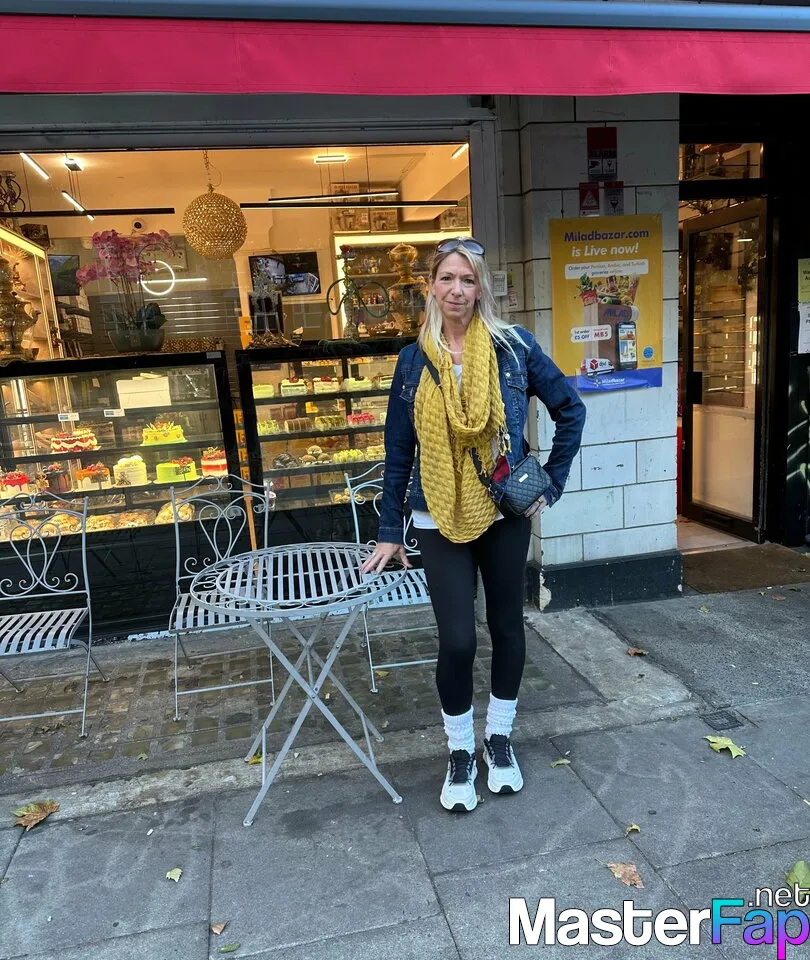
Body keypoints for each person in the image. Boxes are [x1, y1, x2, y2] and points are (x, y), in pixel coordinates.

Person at [361, 237, 585, 813]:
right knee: (458, 640)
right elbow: (399, 449)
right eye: (447, 279)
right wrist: (390, 529)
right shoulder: (413, 360)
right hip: (435, 515)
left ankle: (498, 739)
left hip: (504, 511)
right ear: (432, 287)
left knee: (507, 625)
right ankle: (460, 749)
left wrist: (550, 484)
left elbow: (570, 409)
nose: (457, 289)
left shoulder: (514, 347)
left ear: (480, 286)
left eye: (467, 279)